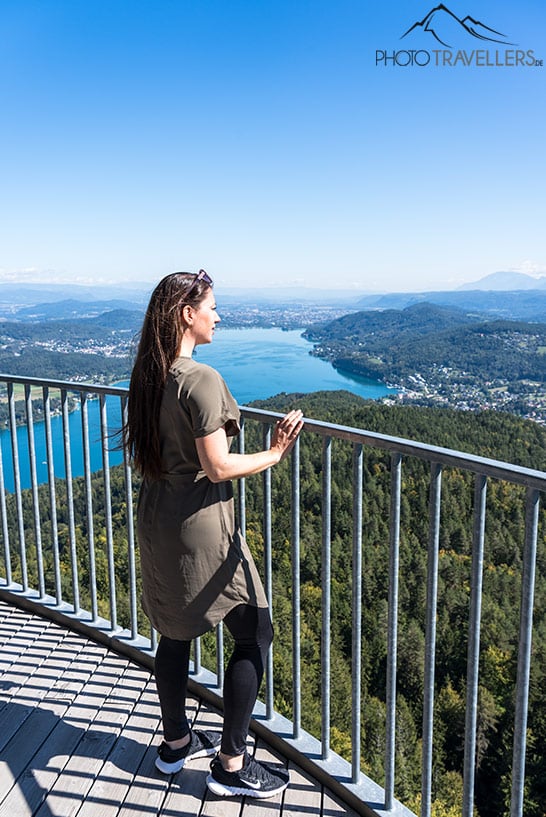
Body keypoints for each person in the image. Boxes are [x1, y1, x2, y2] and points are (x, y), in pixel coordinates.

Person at [124, 270, 303, 799]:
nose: (218, 316)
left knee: (174, 633)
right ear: (187, 314)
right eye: (212, 307)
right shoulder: (200, 379)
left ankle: (176, 745)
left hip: (158, 518)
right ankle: (230, 764)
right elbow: (218, 466)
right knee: (254, 632)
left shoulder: (150, 376)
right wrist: (274, 453)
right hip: (203, 528)